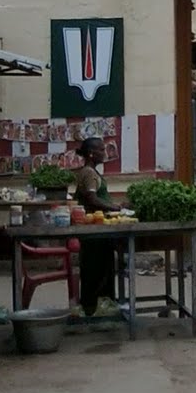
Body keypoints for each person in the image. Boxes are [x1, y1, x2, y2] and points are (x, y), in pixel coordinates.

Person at [73, 136, 121, 318]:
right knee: (95, 268)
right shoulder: (89, 173)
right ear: (92, 154)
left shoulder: (92, 172)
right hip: (93, 229)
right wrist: (115, 207)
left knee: (104, 267)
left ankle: (101, 305)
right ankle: (92, 306)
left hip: (100, 228)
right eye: (101, 150)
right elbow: (91, 199)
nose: (104, 153)